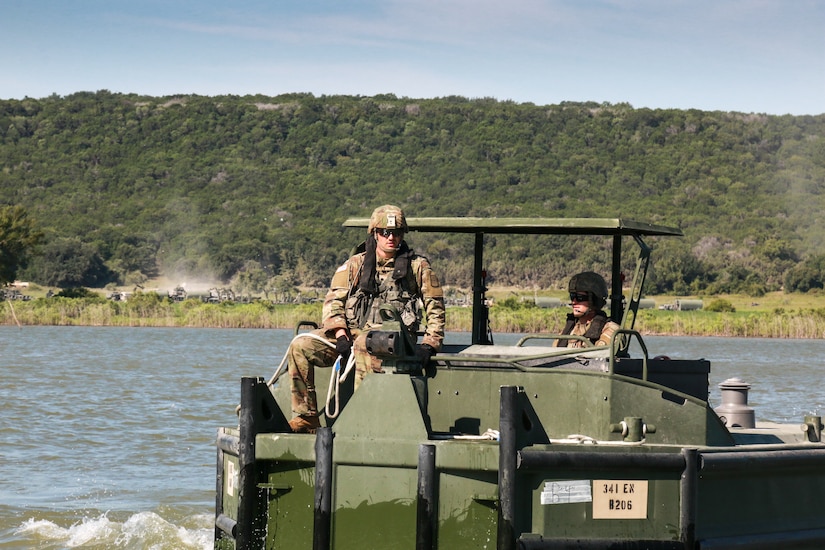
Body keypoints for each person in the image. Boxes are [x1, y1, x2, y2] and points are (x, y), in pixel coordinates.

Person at [287, 205, 446, 433]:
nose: (391, 237)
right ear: (374, 233)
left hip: (395, 341)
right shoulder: (355, 264)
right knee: (300, 345)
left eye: (397, 232)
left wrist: (429, 345)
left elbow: (436, 308)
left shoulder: (417, 266)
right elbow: (333, 302)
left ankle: (362, 422)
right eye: (385, 232)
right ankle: (306, 417)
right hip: (351, 333)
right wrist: (340, 335)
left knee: (365, 343)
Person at [555, 271, 620, 349]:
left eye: (580, 298)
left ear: (594, 300)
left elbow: (601, 358)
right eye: (572, 296)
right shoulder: (569, 329)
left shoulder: (611, 330)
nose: (574, 302)